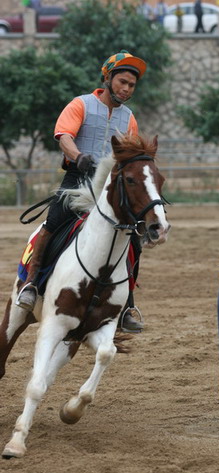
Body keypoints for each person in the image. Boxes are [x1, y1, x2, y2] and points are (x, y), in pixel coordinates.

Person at [15, 49, 147, 333]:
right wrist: (78, 157)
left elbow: (131, 154)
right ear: (108, 78)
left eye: (131, 85)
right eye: (122, 81)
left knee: (132, 237)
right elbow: (64, 137)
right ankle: (31, 284)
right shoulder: (80, 105)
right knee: (54, 223)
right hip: (77, 179)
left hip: (109, 188)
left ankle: (127, 305)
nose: (126, 89)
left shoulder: (130, 118)